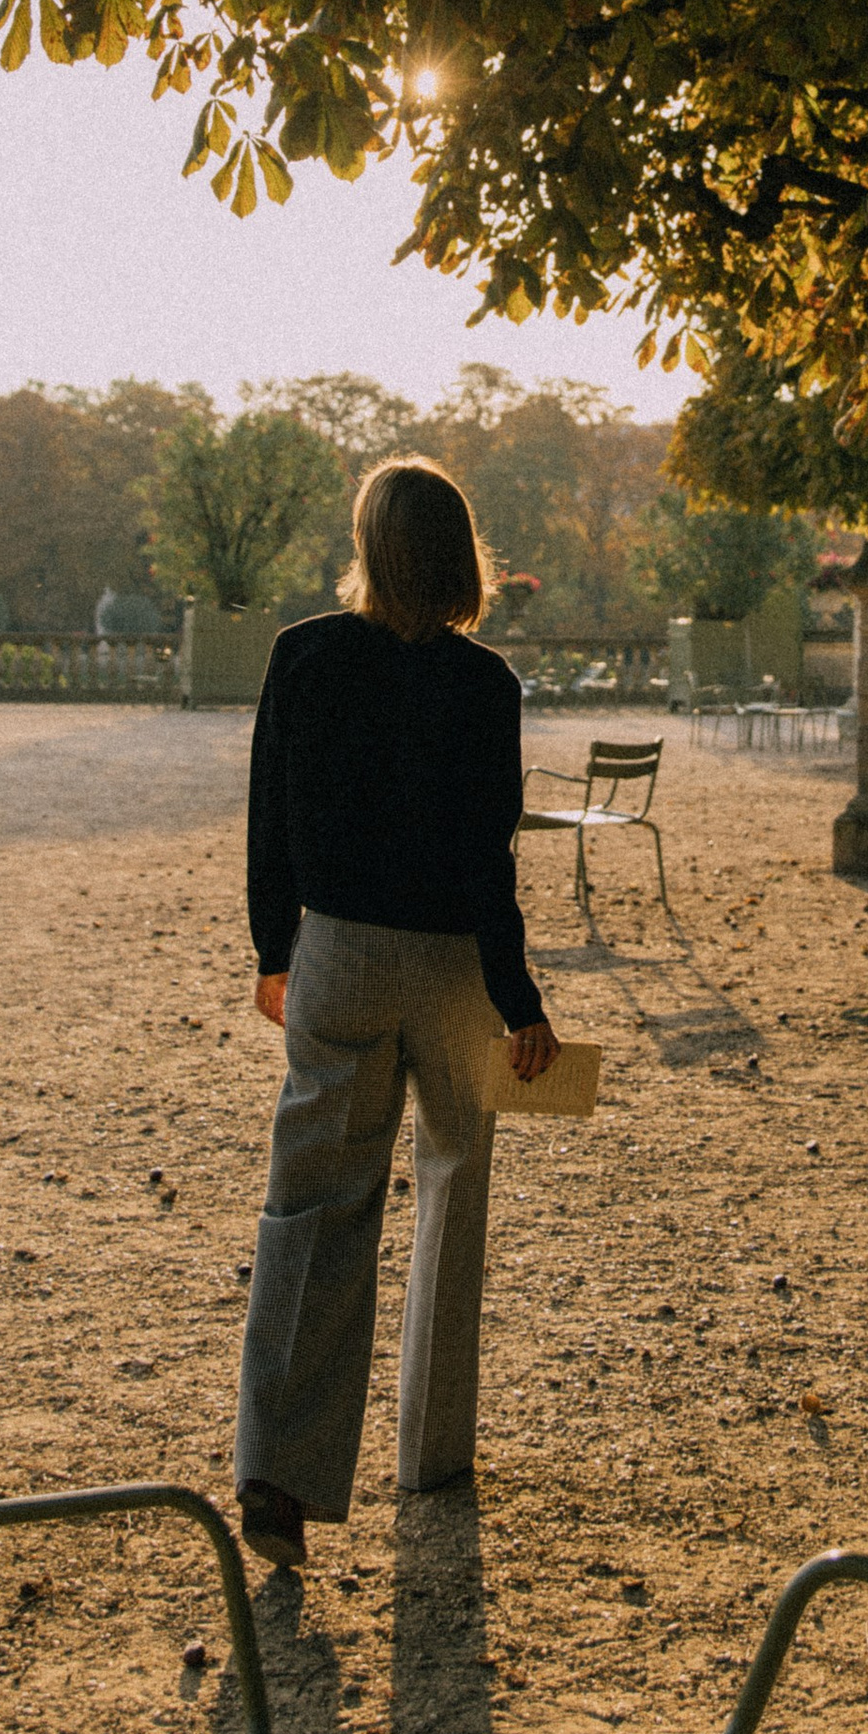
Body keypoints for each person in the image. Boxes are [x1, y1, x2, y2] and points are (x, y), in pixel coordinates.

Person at [233, 456, 558, 1574]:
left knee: (315, 1201)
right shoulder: (487, 685)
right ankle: (433, 1450)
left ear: (369, 546)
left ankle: (280, 1467)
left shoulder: (305, 656)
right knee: (454, 1191)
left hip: (340, 949)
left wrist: (274, 949)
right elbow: (489, 860)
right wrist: (518, 998)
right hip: (455, 964)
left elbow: (268, 821)